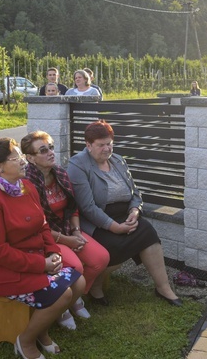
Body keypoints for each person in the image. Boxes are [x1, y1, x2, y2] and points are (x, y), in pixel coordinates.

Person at [0, 137, 85, 358]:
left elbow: (42, 225)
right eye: (17, 158)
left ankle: (40, 330)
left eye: (23, 157)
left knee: (78, 281)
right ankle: (26, 341)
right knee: (62, 294)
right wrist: (41, 264)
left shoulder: (26, 187)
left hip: (32, 258)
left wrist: (53, 252)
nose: (24, 161)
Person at [67, 120, 182, 306]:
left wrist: (135, 211)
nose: (107, 149)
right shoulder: (78, 165)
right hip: (97, 221)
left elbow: (135, 193)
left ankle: (163, 287)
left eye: (110, 143)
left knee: (148, 233)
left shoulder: (118, 160)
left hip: (125, 215)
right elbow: (87, 207)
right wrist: (115, 227)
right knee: (114, 247)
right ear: (88, 145)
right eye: (101, 145)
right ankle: (95, 287)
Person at [21, 130, 110, 328]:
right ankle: (60, 306)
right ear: (30, 158)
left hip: (68, 229)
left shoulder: (59, 172)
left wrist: (77, 232)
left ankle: (74, 298)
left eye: (51, 147)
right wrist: (66, 240)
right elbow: (36, 226)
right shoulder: (27, 183)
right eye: (43, 150)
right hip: (45, 238)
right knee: (76, 267)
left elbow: (73, 206)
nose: (50, 153)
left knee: (101, 259)